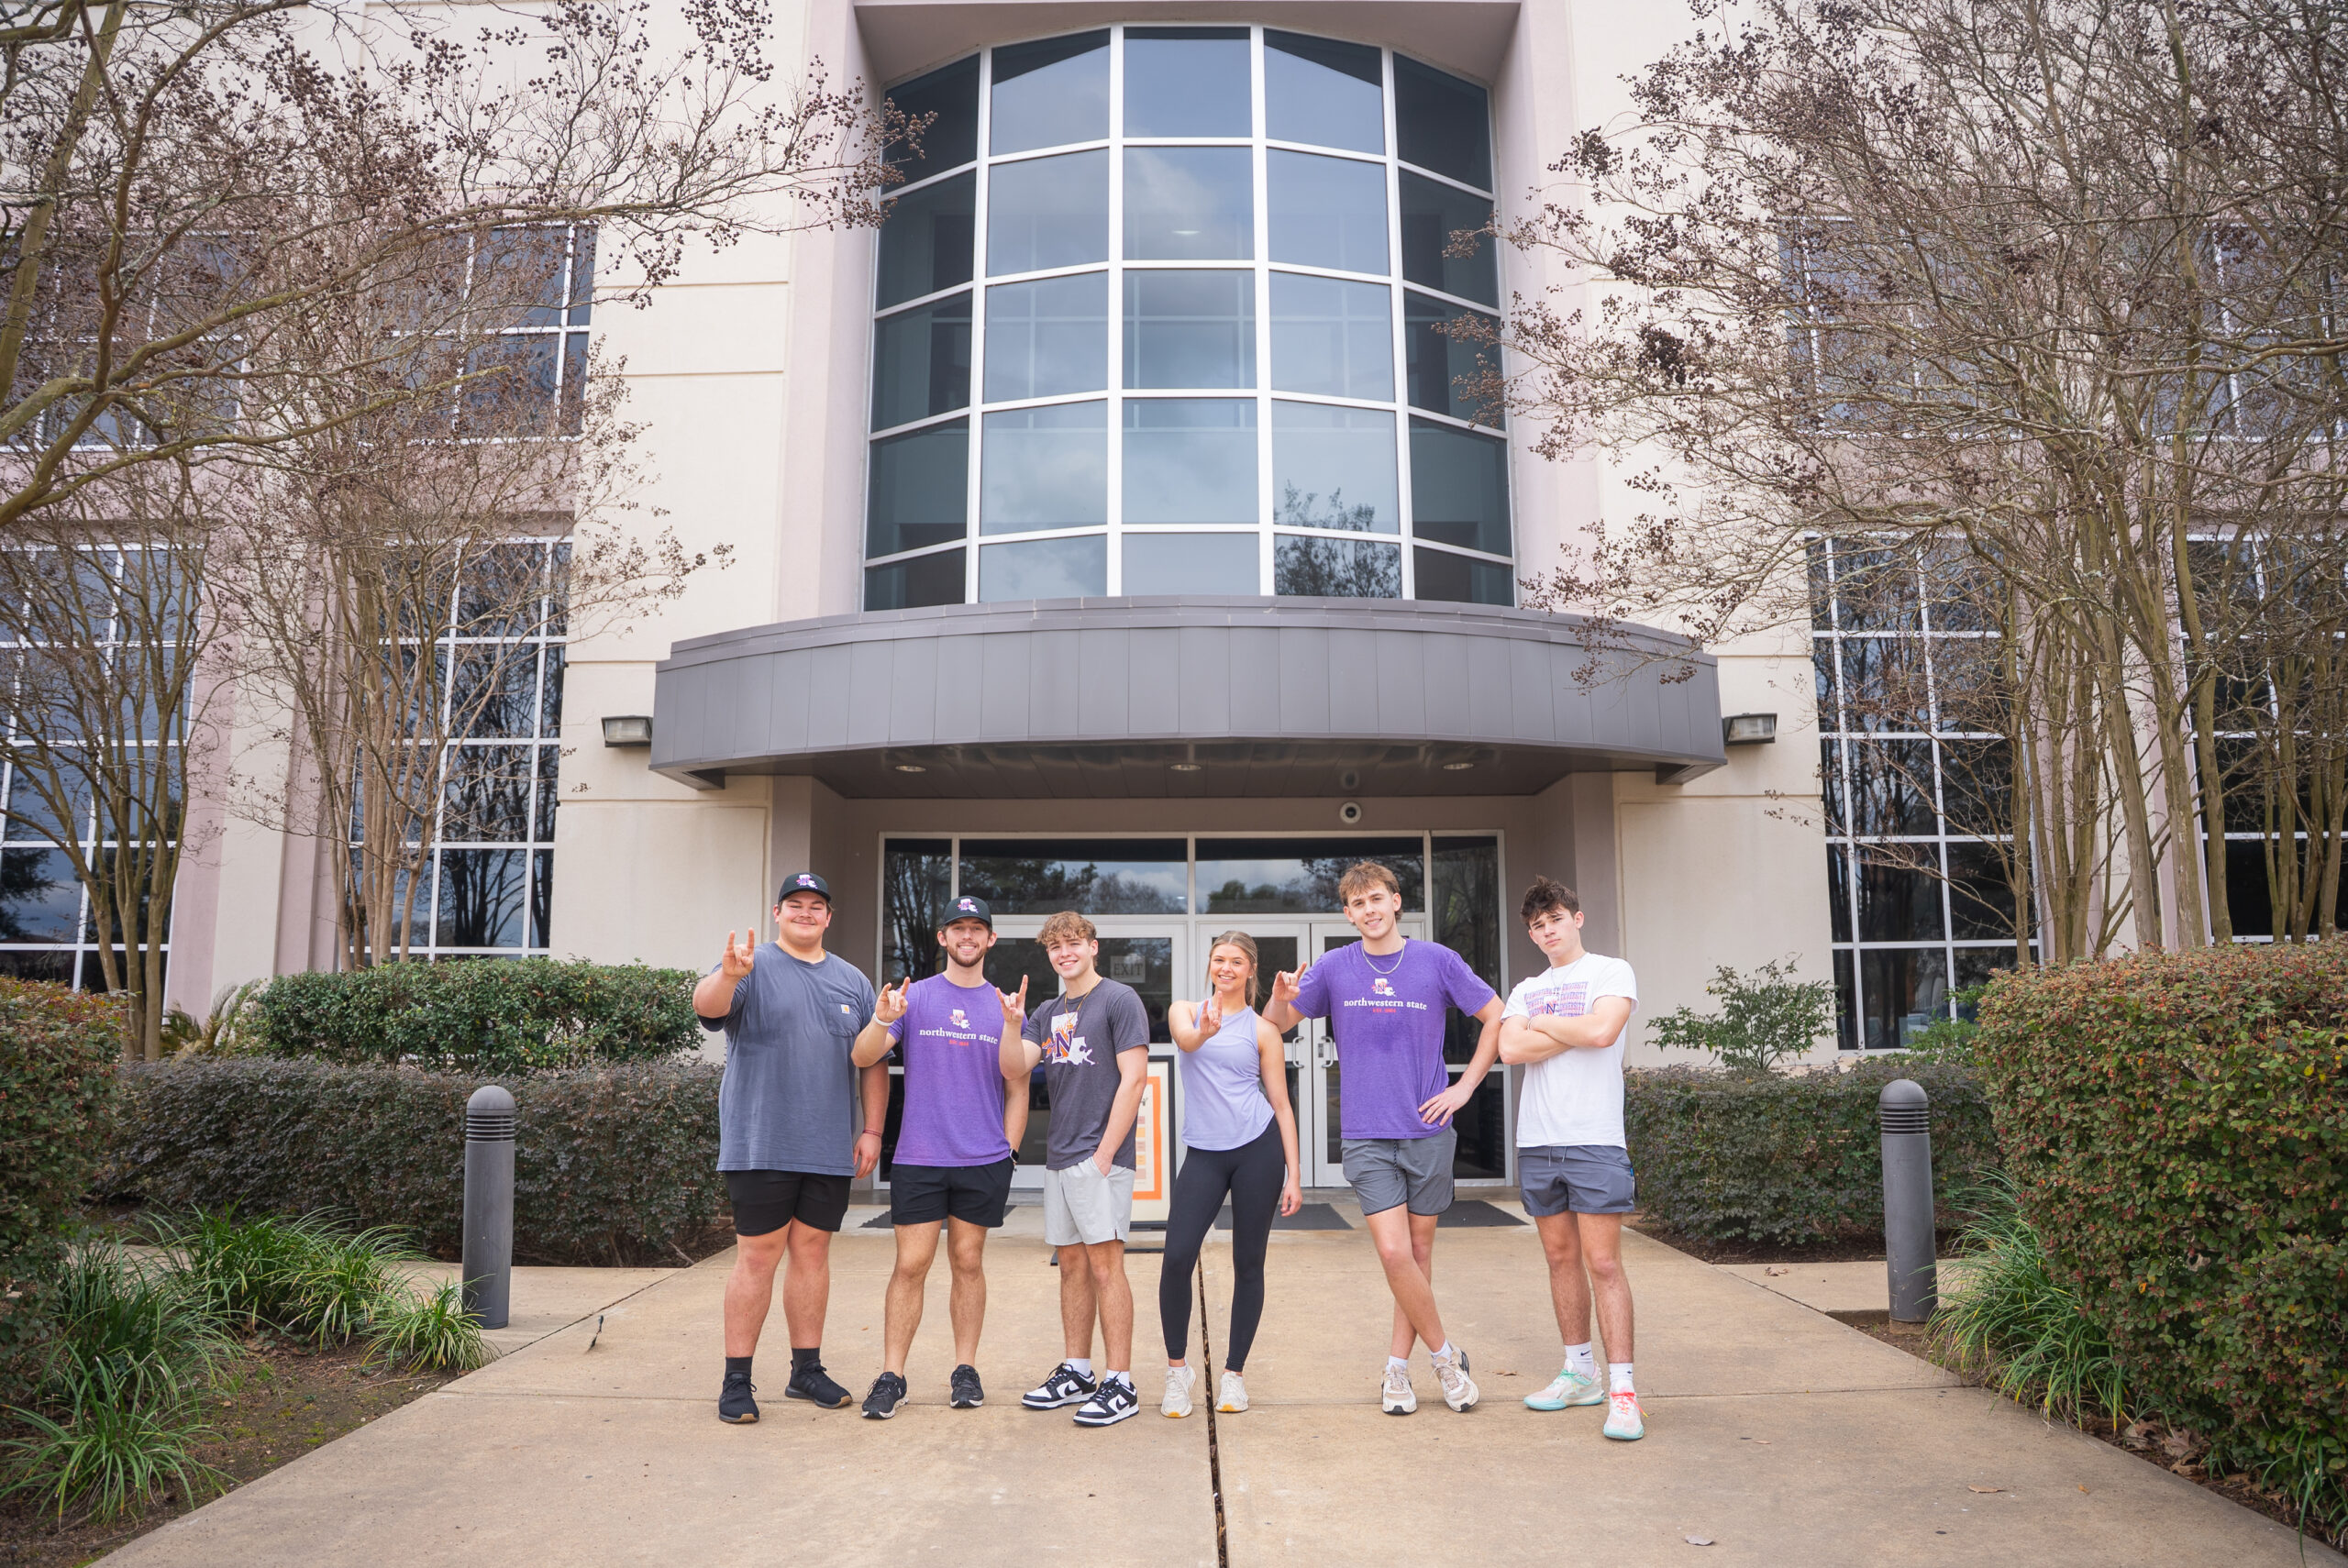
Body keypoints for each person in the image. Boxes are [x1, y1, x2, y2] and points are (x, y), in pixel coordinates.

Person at [1263, 861, 1503, 1416]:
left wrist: (1465, 1088)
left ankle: (1397, 1370)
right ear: (1348, 915)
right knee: (1394, 1253)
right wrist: (1279, 997)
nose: (1369, 911)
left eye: (1377, 899)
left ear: (1397, 902)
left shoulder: (1436, 961)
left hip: (1427, 1129)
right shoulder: (1334, 968)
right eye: (1357, 905)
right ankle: (1445, 1356)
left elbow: (1495, 1016)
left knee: (1418, 1257)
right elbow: (1274, 1025)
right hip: (1368, 1133)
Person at [693, 872, 886, 1423]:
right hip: (761, 1142)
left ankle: (806, 1370)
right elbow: (707, 1009)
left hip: (827, 1145)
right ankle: (737, 1380)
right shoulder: (750, 964)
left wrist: (872, 1129)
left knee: (813, 1256)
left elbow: (872, 1059)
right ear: (778, 912)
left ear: (829, 916)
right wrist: (728, 976)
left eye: (816, 906)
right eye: (795, 905)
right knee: (757, 1257)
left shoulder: (852, 981)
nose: (806, 913)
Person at [849, 895, 1025, 1419]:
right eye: (958, 929)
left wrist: (1010, 1152)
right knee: (911, 1264)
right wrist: (882, 1021)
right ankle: (891, 1374)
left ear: (990, 939)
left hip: (982, 1158)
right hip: (921, 1156)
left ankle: (965, 1370)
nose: (967, 937)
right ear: (942, 939)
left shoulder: (1004, 1005)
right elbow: (863, 1056)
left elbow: (1017, 1086)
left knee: (968, 1262)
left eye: (978, 929)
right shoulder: (913, 997)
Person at [1498, 875, 1645, 1441]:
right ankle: (1579, 1373)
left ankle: (1624, 1392)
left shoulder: (1611, 971)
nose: (1547, 930)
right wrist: (1575, 1029)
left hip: (1595, 1139)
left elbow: (1606, 1031)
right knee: (1560, 1260)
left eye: (1555, 919)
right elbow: (1511, 1048)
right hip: (1538, 1139)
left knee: (1603, 1264)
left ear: (1576, 919)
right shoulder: (1525, 986)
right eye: (1537, 925)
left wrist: (1545, 1025)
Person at [1003, 911, 1152, 1428]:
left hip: (1099, 1157)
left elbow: (1135, 1079)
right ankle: (1078, 1370)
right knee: (1070, 1266)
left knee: (1107, 1265)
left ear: (1093, 946)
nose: (1064, 952)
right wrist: (1010, 1023)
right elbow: (1014, 1067)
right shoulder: (1046, 1012)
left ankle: (1121, 1382)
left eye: (1073, 943)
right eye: (1055, 946)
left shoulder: (1118, 999)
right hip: (1060, 1156)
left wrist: (1106, 1154)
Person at [1158, 932, 1301, 1419]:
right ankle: (1178, 1372)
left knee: (1248, 1262)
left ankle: (1234, 1375)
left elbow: (1281, 1105)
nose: (1225, 967)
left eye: (1235, 961)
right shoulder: (1185, 1009)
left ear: (1250, 969)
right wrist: (1206, 1031)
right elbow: (1185, 1040)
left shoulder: (1264, 1030)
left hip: (1257, 1150)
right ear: (1210, 965)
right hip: (1203, 1153)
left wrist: (1295, 1174)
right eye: (1219, 959)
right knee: (1176, 1256)